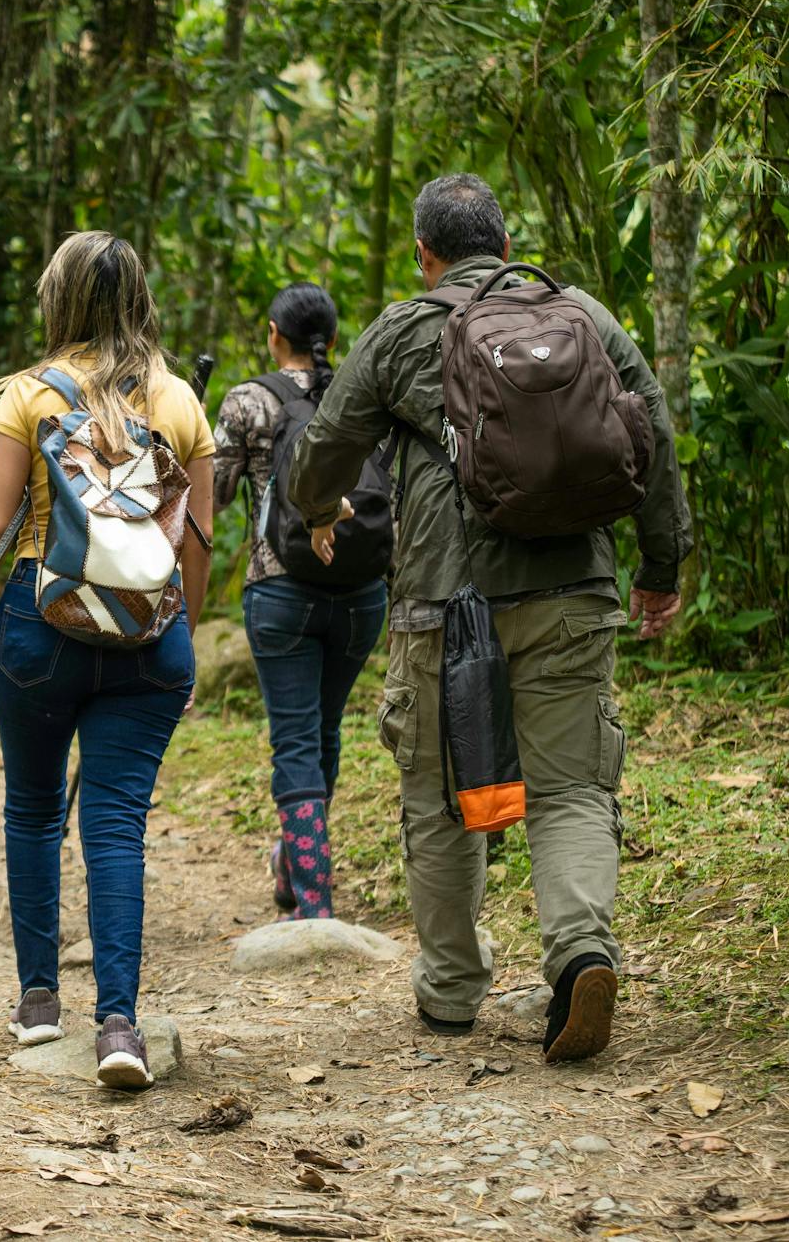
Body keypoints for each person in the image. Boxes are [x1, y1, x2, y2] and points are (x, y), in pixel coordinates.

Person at [287, 174, 690, 1063]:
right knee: (573, 786)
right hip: (573, 588)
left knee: (438, 796)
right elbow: (648, 425)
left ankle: (452, 990)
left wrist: (314, 508)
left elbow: (326, 447)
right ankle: (581, 950)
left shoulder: (404, 328)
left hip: (443, 600)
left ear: (424, 255)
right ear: (506, 245)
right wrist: (661, 565)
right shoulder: (580, 312)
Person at [0, 230, 215, 1090]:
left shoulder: (29, 395)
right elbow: (196, 538)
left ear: (62, 300)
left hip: (38, 628)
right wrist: (181, 636)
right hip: (148, 637)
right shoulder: (180, 401)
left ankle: (39, 1000)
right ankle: (120, 1024)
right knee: (117, 821)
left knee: (32, 808)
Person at [214, 283, 386, 921]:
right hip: (362, 591)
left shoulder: (247, 401)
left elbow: (218, 492)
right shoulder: (362, 397)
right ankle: (295, 867)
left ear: (273, 333)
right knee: (325, 730)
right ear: (333, 340)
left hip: (280, 589)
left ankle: (313, 901)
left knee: (295, 740)